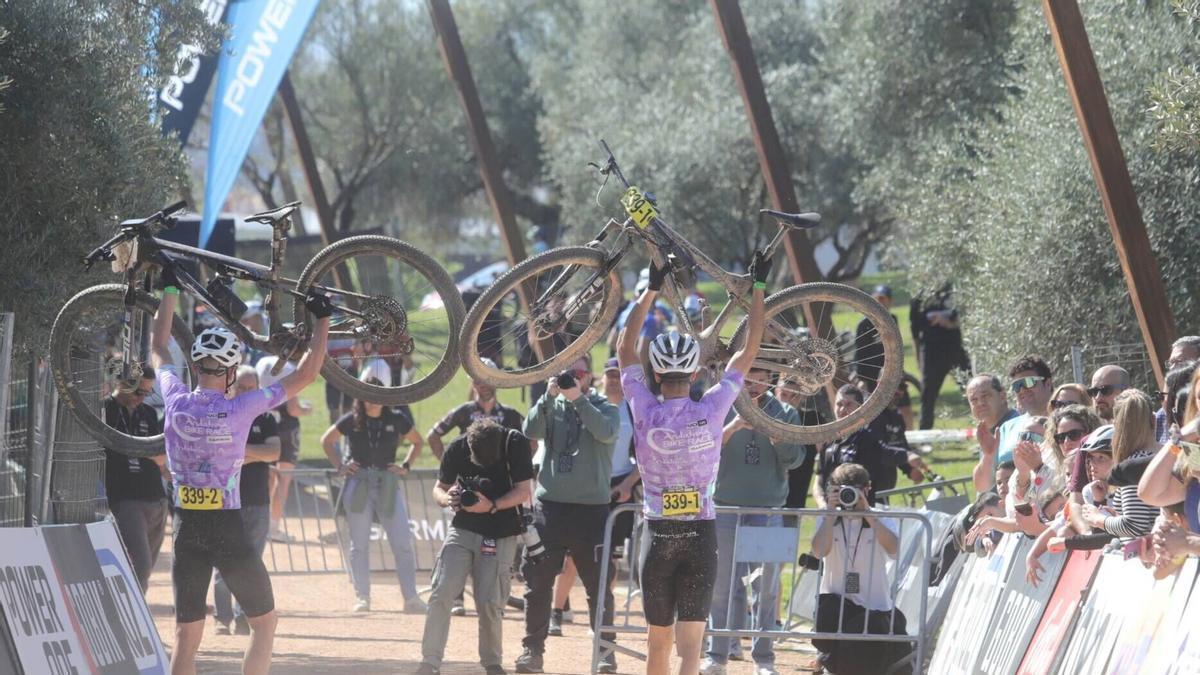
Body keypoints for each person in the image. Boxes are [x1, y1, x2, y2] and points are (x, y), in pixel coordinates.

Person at [149, 275, 330, 675]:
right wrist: (322, 321)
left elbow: (159, 347)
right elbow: (305, 375)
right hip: (228, 528)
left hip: (185, 529)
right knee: (264, 625)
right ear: (232, 372)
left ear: (195, 367)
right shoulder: (242, 408)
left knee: (186, 637)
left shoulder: (175, 398)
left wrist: (169, 290)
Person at [617, 252, 768, 675]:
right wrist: (758, 289)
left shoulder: (643, 408)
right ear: (695, 370)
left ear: (657, 372)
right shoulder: (715, 408)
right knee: (691, 648)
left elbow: (624, 347)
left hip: (658, 533)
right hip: (702, 534)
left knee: (657, 645)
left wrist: (650, 289)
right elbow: (748, 349)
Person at [517, 354, 621, 674]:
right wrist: (547, 397)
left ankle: (605, 654)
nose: (571, 379)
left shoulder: (606, 407)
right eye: (566, 374)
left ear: (589, 376)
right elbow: (529, 430)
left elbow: (605, 432)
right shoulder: (552, 405)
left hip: (591, 511)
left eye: (577, 373)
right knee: (538, 583)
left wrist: (578, 399)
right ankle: (532, 651)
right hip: (551, 508)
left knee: (597, 586)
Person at [702, 367, 805, 675]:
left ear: (769, 378)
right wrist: (733, 426)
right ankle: (716, 656)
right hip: (725, 509)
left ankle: (764, 659)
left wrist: (774, 433)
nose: (754, 381)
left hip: (769, 509)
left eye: (761, 375)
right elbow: (702, 448)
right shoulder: (718, 404)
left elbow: (796, 460)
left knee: (767, 589)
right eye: (749, 375)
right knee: (722, 587)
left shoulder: (785, 411)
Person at [419, 419, 535, 675]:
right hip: (463, 528)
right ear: (470, 445)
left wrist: (491, 505)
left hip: (501, 532)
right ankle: (430, 662)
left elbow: (523, 491)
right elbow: (439, 488)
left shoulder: (514, 443)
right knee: (441, 591)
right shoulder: (458, 447)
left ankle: (492, 663)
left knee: (490, 601)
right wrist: (447, 499)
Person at [321, 376, 426, 613]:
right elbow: (326, 441)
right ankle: (363, 597)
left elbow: (418, 442)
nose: (373, 399)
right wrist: (340, 466)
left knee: (402, 543)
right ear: (361, 395)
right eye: (368, 393)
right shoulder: (352, 419)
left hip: (387, 482)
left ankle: (411, 598)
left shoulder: (397, 418)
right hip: (358, 483)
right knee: (358, 545)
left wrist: (406, 466)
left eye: (378, 393)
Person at [811, 463, 910, 675]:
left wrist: (867, 513)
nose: (849, 497)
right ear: (832, 491)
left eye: (854, 491)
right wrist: (829, 513)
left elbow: (894, 548)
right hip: (838, 607)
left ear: (867, 489)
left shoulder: (879, 517)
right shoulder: (829, 517)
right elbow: (819, 551)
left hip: (875, 608)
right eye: (842, 491)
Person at [213, 367, 281, 635]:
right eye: (240, 387)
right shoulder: (220, 415)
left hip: (257, 501)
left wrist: (239, 452)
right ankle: (222, 617)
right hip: (225, 501)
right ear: (230, 387)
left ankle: (244, 618)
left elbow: (275, 451)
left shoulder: (266, 418)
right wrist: (255, 453)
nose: (244, 393)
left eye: (250, 388)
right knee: (224, 560)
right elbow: (218, 451)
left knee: (252, 561)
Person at [103, 371, 167, 594]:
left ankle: (139, 612)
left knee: (146, 566)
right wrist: (146, 450)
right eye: (139, 391)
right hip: (125, 499)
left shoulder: (148, 412)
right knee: (141, 565)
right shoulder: (105, 410)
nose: (141, 398)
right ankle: (133, 614)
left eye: (148, 393)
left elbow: (161, 455)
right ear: (122, 382)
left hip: (156, 498)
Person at [813, 385, 926, 508]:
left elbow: (885, 452)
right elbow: (818, 480)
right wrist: (823, 505)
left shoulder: (866, 439)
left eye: (848, 404)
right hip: (829, 516)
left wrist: (908, 457)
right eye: (839, 404)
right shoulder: (828, 440)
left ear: (860, 409)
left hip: (860, 516)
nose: (842, 409)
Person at [1078, 390, 1159, 541]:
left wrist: (1099, 519)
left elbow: (1135, 525)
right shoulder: (1170, 454)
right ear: (1153, 420)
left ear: (1116, 426)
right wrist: (1116, 516)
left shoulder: (1133, 465)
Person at [254, 355, 312, 544]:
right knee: (284, 478)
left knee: (268, 476)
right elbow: (293, 409)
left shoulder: (261, 362)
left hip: (266, 421)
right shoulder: (289, 368)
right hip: (287, 426)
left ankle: (262, 524)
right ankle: (274, 527)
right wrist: (306, 410)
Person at [427, 358, 525, 461]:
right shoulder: (464, 411)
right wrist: (448, 467)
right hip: (469, 474)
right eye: (478, 381)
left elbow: (533, 441)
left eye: (489, 379)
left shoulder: (510, 413)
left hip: (502, 474)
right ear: (472, 383)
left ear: (497, 381)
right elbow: (433, 436)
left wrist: (519, 469)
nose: (484, 385)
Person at [909, 284, 970, 429]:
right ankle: (924, 435)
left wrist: (950, 324)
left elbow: (968, 319)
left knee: (971, 389)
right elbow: (915, 334)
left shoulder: (953, 290)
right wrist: (919, 360)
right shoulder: (919, 296)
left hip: (955, 349)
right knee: (928, 395)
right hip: (931, 353)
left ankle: (985, 429)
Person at [968, 374, 1019, 494]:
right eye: (974, 400)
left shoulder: (1018, 426)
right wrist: (988, 455)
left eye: (985, 396)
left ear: (1002, 396)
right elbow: (982, 487)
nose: (980, 403)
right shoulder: (986, 432)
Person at [852, 285, 894, 392]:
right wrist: (861, 378)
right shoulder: (864, 324)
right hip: (871, 373)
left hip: (890, 369)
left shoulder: (893, 320)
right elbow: (860, 352)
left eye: (883, 299)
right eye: (877, 299)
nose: (880, 302)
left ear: (890, 301)